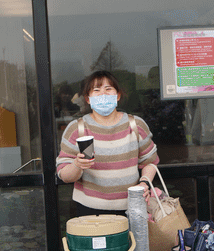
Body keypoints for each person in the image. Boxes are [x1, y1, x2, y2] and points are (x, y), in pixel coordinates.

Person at [56, 70, 159, 217]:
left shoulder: (135, 125)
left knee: (132, 241)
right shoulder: (77, 128)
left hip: (132, 207)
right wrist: (77, 165)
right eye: (96, 90)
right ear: (88, 99)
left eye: (108, 89)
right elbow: (63, 174)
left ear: (117, 96)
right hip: (89, 210)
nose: (103, 94)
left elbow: (150, 162)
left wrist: (144, 183)